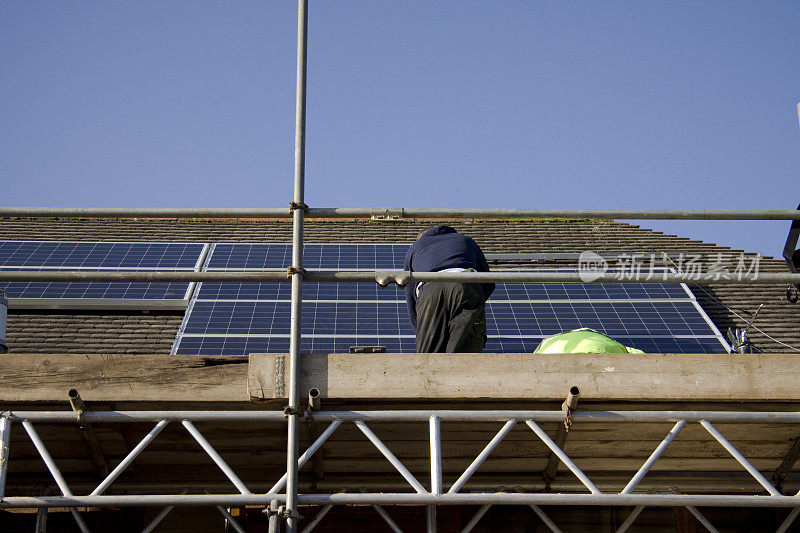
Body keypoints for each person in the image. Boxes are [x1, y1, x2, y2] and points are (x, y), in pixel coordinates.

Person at [404, 225, 495, 352]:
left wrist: (421, 327)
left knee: (429, 355)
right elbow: (488, 280)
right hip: (465, 283)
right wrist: (474, 304)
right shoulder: (466, 240)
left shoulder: (416, 247)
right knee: (464, 351)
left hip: (430, 290)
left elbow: (410, 292)